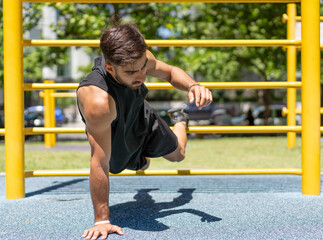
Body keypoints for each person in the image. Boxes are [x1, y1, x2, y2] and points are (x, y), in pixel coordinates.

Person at [77, 23, 213, 240]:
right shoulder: (98, 102)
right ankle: (142, 154)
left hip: (141, 116)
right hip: (115, 131)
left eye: (142, 67)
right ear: (110, 67)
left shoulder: (139, 59)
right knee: (140, 164)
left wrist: (193, 86)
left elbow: (169, 72)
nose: (140, 75)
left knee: (178, 155)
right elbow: (99, 162)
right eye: (131, 72)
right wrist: (102, 220)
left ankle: (179, 119)